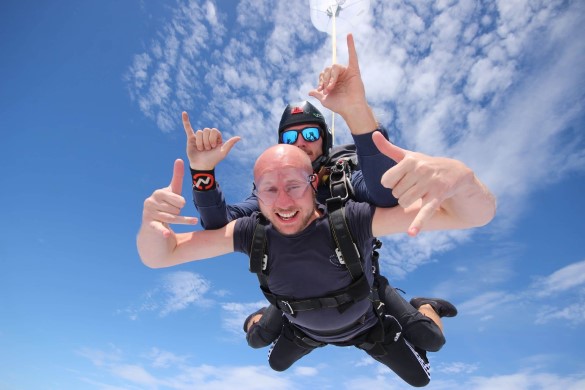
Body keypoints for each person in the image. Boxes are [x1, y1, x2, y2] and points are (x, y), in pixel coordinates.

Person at [137, 136, 496, 387]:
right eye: (269, 189)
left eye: (293, 184)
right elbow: (160, 256)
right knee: (267, 353)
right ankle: (259, 317)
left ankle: (425, 306)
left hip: (367, 324)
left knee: (426, 356)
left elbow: (472, 215)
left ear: (313, 182)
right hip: (302, 327)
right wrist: (150, 225)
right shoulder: (249, 233)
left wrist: (461, 179)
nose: (283, 201)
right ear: (255, 195)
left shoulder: (351, 220)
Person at [183, 34, 457, 358]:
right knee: (258, 341)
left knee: (430, 341)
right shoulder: (274, 192)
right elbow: (218, 224)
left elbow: (384, 194)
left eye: (311, 133)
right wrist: (203, 174)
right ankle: (256, 318)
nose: (301, 141)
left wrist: (359, 117)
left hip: (361, 294)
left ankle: (425, 306)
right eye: (291, 135)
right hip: (297, 303)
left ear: (324, 141)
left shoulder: (341, 175)